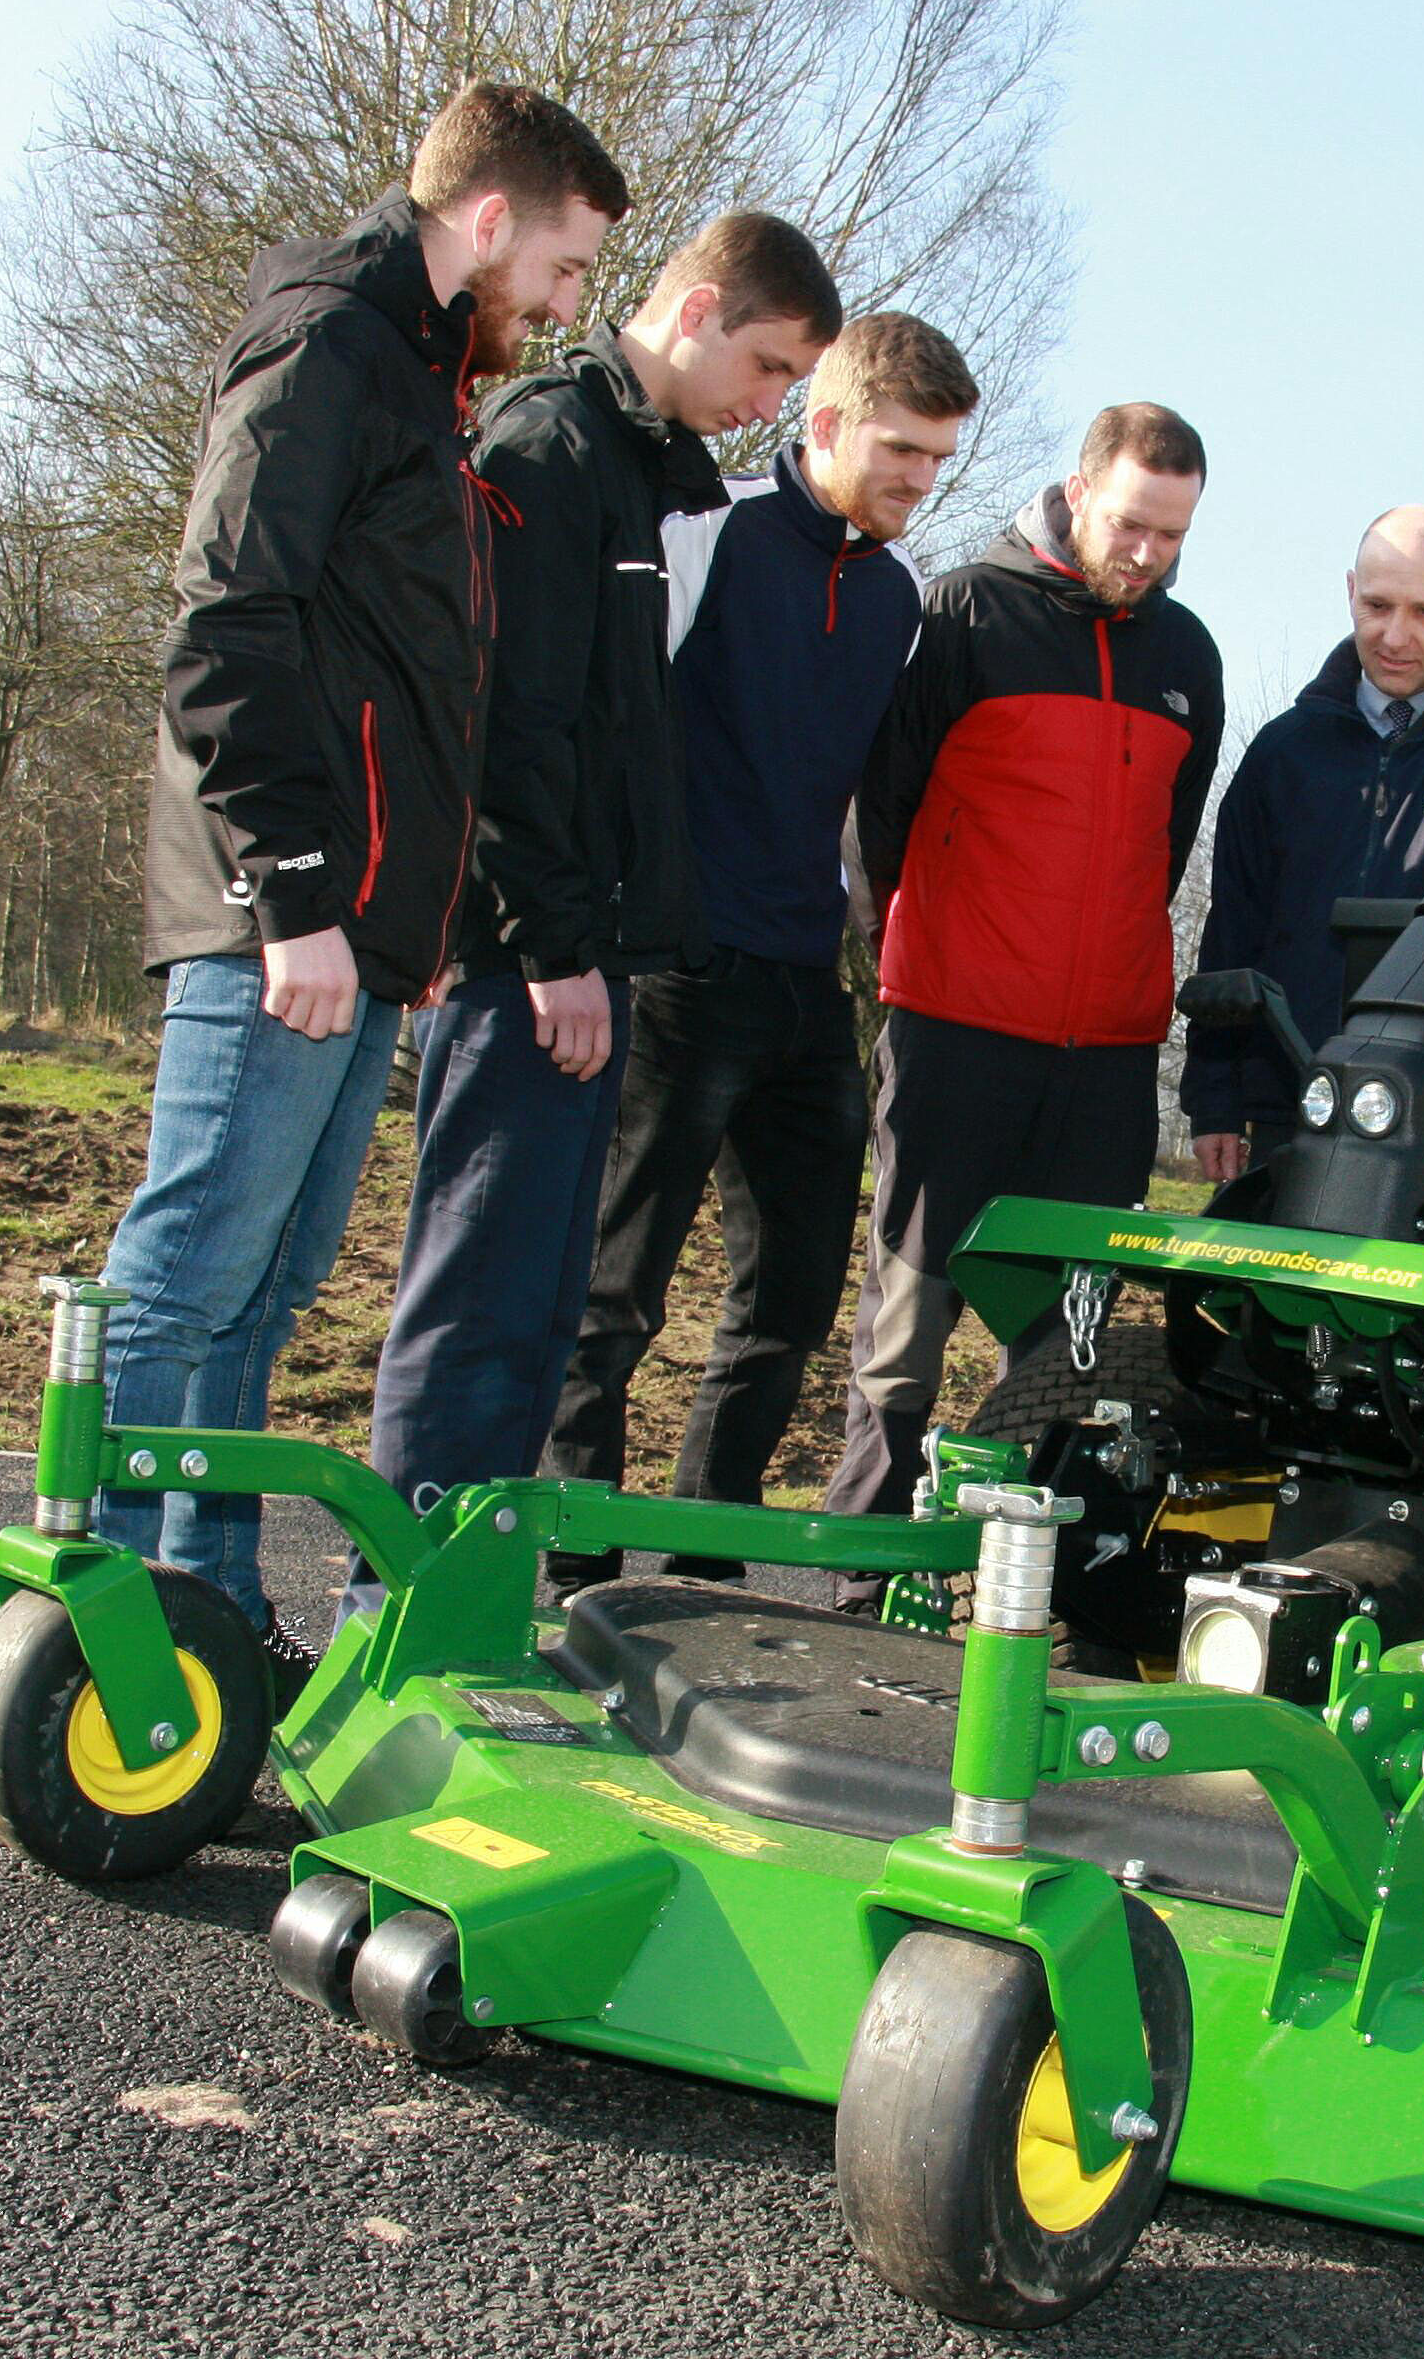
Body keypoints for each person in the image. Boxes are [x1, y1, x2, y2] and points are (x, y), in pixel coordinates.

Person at [94, 82, 626, 1688]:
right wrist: (294, 893)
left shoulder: (422, 379)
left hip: (364, 936)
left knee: (256, 1303)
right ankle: (91, 1612)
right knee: (184, 1278)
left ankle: (204, 1611)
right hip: (283, 928)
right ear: (488, 222)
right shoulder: (327, 351)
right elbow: (224, 623)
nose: (570, 301)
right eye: (571, 263)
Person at [368, 212, 844, 1599]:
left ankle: (472, 1611)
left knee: (533, 1321)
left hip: (594, 967)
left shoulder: (649, 481)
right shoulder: (548, 449)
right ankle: (401, 1614)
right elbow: (509, 730)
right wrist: (551, 947)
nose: (771, 408)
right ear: (694, 312)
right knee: (477, 1310)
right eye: (764, 368)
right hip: (532, 970)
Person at [544, 312, 979, 1575]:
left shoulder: (899, 597)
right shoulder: (707, 530)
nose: (919, 479)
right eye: (902, 449)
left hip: (805, 989)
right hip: (674, 975)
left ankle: (705, 1563)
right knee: (613, 1300)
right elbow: (604, 718)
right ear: (826, 422)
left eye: (940, 461)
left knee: (785, 1309)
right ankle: (573, 1571)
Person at [819, 403, 1224, 1579]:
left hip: (1104, 1054)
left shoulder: (1187, 655)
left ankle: (1015, 1590)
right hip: (955, 1030)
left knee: (1066, 1339)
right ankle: (862, 1565)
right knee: (911, 1316)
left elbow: (1166, 843)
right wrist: (925, 954)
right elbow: (880, 817)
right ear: (1080, 489)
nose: (1149, 553)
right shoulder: (964, 611)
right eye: (1133, 523)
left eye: (1175, 534)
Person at [1182, 506, 1424, 1179]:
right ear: (1348, 592)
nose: (1395, 635)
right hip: (1292, 1099)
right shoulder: (1284, 753)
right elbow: (1234, 933)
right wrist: (1216, 1101)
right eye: (1376, 605)